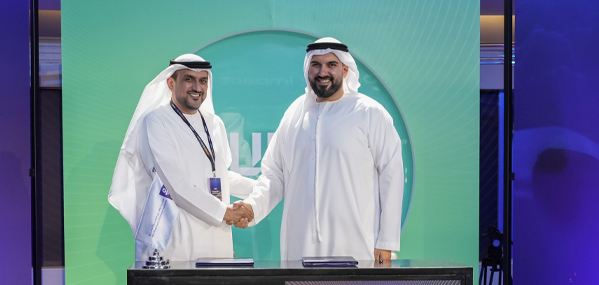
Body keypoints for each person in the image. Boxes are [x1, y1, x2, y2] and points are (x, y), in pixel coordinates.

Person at [236, 38, 404, 263]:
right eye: (316, 65)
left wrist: (387, 241)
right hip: (299, 245)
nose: (323, 72)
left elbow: (391, 176)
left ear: (345, 69)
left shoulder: (370, 113)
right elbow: (274, 174)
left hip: (356, 245)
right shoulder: (295, 114)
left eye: (331, 65)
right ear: (308, 69)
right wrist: (252, 206)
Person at [109, 54, 254, 262]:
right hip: (177, 241)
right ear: (171, 83)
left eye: (203, 80)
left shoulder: (215, 124)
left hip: (217, 239)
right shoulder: (156, 121)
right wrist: (226, 213)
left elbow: (220, 175)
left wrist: (260, 190)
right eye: (188, 79)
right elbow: (175, 185)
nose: (197, 87)